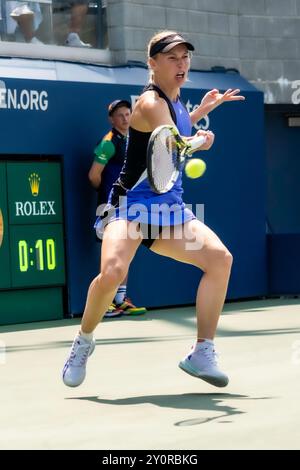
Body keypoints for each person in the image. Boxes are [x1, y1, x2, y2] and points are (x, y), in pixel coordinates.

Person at [62, 30, 245, 388]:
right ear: (152, 63)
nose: (181, 64)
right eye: (172, 58)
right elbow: (173, 141)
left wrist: (204, 110)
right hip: (130, 208)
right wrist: (199, 141)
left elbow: (175, 127)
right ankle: (83, 340)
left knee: (220, 260)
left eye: (185, 57)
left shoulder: (175, 102)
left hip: (168, 211)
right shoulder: (148, 102)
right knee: (113, 272)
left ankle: (202, 351)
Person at [88, 99, 146, 318]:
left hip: (129, 206)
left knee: (126, 251)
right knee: (112, 253)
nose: (125, 118)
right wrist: (106, 194)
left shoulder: (133, 140)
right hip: (111, 206)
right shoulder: (108, 142)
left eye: (127, 113)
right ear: (112, 119)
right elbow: (94, 175)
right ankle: (106, 302)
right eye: (120, 115)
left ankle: (120, 300)